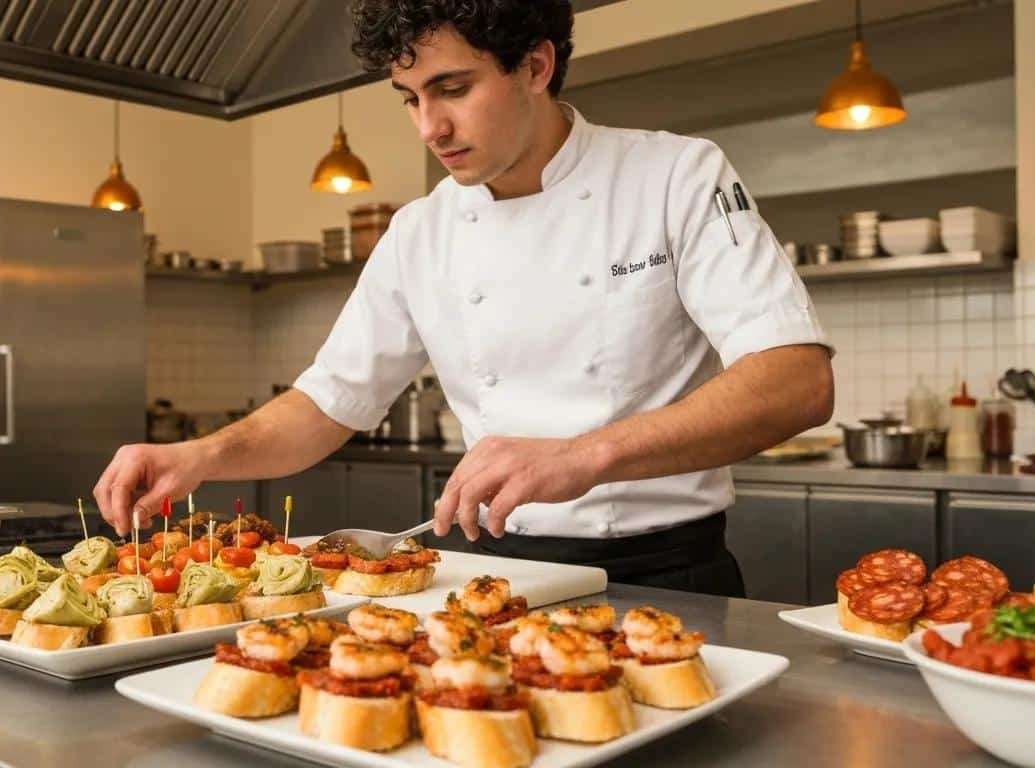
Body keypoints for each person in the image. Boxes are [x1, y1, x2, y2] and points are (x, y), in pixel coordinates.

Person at [94, 0, 833, 596]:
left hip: (671, 578)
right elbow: (329, 402)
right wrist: (200, 454)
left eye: (453, 88)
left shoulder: (676, 177)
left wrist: (586, 455)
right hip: (496, 581)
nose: (429, 127)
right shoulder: (421, 230)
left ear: (536, 64)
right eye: (409, 98)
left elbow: (797, 381)